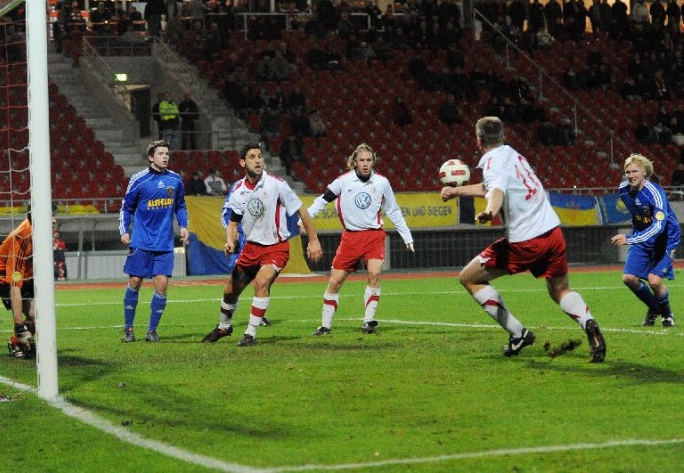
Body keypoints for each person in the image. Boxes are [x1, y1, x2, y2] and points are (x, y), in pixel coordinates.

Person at [440, 117, 606, 362]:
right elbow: (493, 186)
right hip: (552, 232)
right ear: (503, 136)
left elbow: (496, 191)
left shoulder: (492, 164)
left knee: (469, 278)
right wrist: (457, 191)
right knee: (560, 290)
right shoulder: (513, 155)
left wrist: (491, 211)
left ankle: (518, 333)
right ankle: (588, 322)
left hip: (525, 241)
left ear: (478, 140)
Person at [202, 143, 322, 346]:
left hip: (276, 248)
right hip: (251, 248)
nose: (257, 160)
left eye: (259, 156)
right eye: (252, 157)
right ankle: (224, 327)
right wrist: (230, 241)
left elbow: (302, 210)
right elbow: (233, 223)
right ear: (242, 163)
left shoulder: (277, 184)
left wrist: (314, 240)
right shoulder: (238, 190)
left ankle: (250, 334)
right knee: (230, 291)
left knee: (261, 282)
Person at [307, 143, 414, 335]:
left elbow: (393, 210)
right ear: (354, 162)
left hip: (374, 236)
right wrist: (306, 218)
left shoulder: (382, 182)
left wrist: (406, 235)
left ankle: (368, 322)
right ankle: (325, 326)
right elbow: (322, 200)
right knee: (335, 282)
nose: (365, 164)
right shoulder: (343, 181)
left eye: (369, 160)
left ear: (373, 162)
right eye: (362, 160)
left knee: (374, 274)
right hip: (350, 238)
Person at [119, 140, 189, 343]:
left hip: (164, 243)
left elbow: (180, 205)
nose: (165, 157)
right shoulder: (139, 180)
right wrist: (124, 231)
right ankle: (129, 328)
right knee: (135, 281)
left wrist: (183, 225)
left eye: (167, 153)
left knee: (162, 284)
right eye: (160, 154)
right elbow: (126, 207)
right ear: (151, 157)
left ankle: (151, 331)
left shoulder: (175, 180)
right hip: (141, 241)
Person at [611, 154, 679, 327]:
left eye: (635, 171)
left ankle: (667, 315)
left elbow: (659, 227)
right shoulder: (623, 189)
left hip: (665, 239)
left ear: (644, 172)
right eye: (628, 172)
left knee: (654, 281)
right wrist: (638, 231)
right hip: (643, 236)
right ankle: (655, 308)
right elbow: (638, 213)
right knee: (629, 278)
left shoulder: (655, 193)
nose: (631, 175)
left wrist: (631, 238)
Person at [0, 210, 37, 359]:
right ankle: (19, 339)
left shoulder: (42, 229)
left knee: (40, 316)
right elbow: (15, 285)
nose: (54, 220)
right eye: (51, 215)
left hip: (28, 274)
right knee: (34, 314)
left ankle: (16, 342)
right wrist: (19, 324)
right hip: (1, 275)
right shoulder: (22, 238)